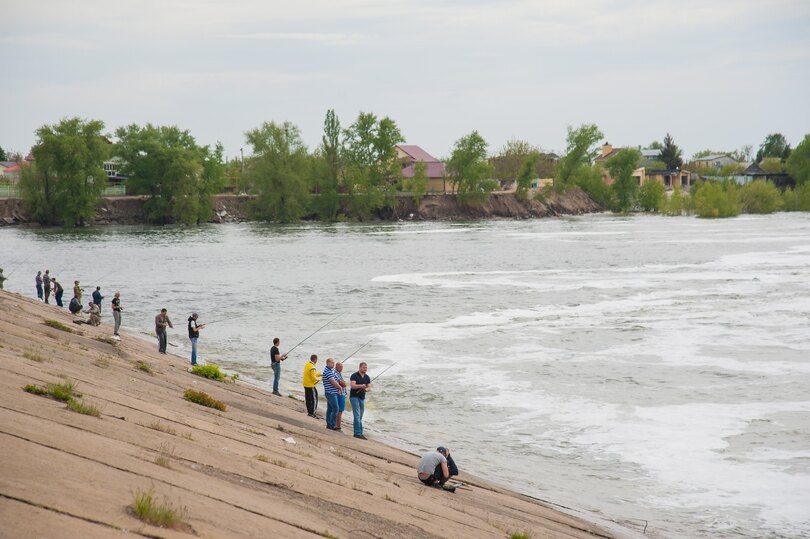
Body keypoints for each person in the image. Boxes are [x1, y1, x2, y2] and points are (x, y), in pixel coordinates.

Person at [350, 362, 372, 440]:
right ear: (360, 367)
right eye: (364, 367)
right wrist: (360, 386)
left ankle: (359, 432)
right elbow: (352, 386)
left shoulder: (367, 377)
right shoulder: (354, 375)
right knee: (357, 415)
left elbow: (369, 387)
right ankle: (357, 433)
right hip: (354, 397)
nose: (365, 369)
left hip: (362, 398)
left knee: (360, 416)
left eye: (366, 368)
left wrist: (366, 389)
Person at [322, 358, 342, 430]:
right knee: (336, 408)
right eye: (332, 363)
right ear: (327, 363)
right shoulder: (328, 371)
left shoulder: (330, 371)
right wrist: (340, 387)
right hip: (330, 393)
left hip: (331, 392)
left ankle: (329, 424)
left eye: (334, 363)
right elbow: (333, 381)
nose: (333, 364)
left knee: (330, 409)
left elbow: (337, 379)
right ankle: (331, 424)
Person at [335, 362, 348, 431]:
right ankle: (337, 426)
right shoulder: (336, 373)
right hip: (339, 394)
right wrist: (344, 383)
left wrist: (343, 382)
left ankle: (337, 425)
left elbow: (343, 383)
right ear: (336, 367)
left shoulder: (339, 373)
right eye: (340, 367)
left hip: (341, 394)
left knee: (340, 410)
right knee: (339, 410)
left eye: (342, 367)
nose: (342, 368)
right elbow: (344, 384)